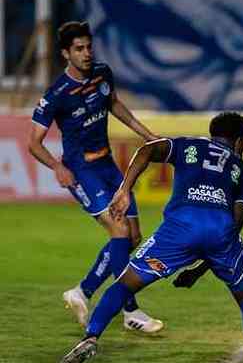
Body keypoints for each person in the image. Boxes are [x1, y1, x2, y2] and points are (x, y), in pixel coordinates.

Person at [57, 112, 243, 363]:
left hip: (179, 230)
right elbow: (237, 221)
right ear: (240, 141)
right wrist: (199, 270)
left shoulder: (189, 146)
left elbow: (148, 149)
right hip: (221, 231)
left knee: (126, 283)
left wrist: (125, 189)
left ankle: (91, 336)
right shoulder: (240, 169)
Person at [29, 21, 162, 333]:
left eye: (89, 47)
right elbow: (33, 143)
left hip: (108, 166)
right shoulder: (56, 94)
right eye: (79, 49)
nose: (86, 53)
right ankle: (129, 310)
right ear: (66, 53)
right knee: (118, 229)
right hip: (82, 171)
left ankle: (83, 291)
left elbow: (114, 104)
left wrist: (148, 136)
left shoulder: (102, 73)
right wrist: (58, 168)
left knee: (133, 237)